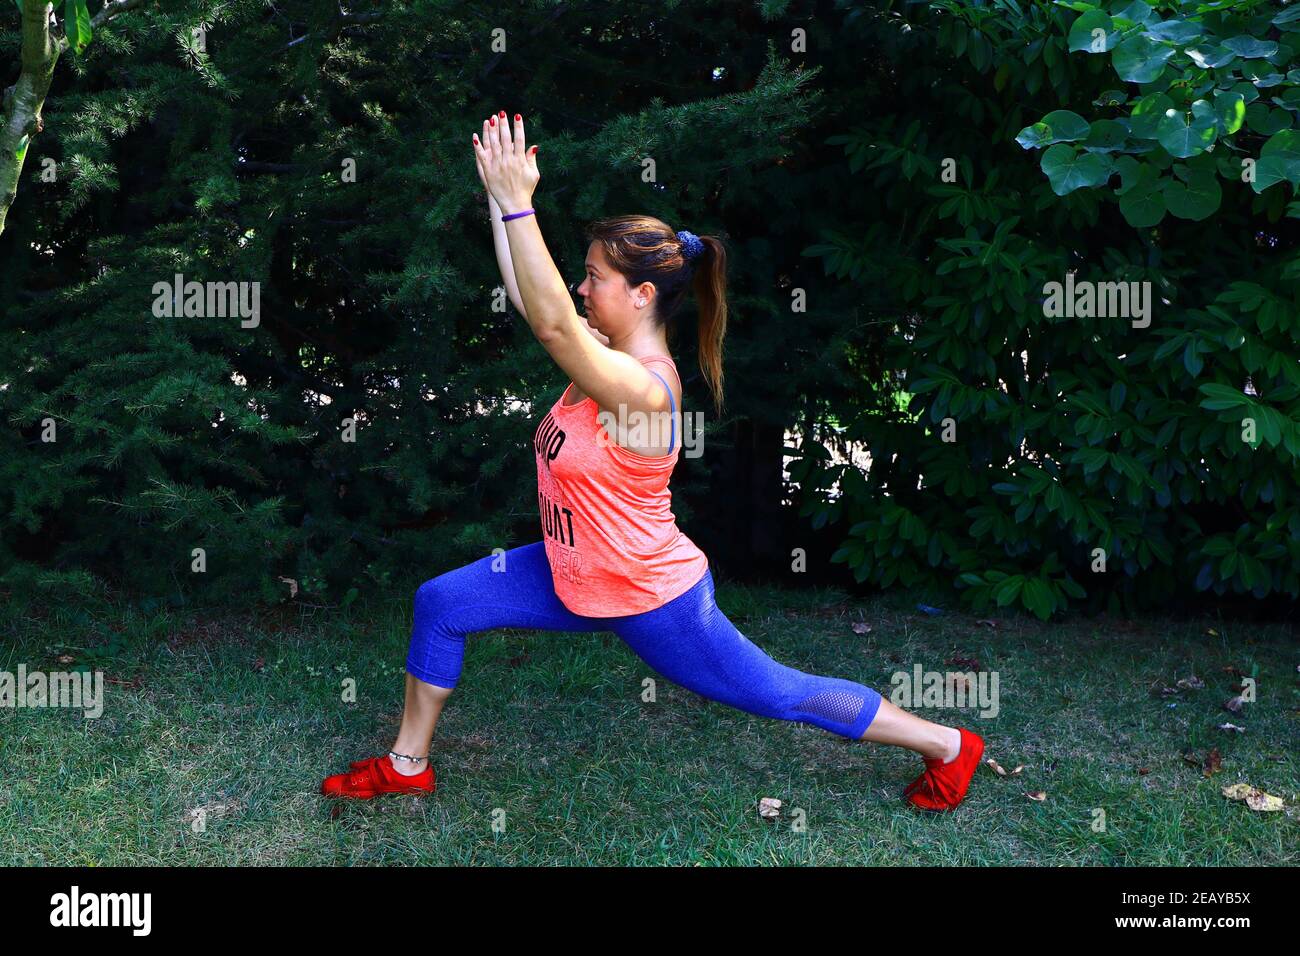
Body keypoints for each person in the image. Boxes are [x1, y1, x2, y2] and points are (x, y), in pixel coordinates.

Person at [320, 110, 984, 812]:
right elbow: (530, 298)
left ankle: (945, 743)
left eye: (594, 278)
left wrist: (522, 203)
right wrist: (497, 193)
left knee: (777, 693)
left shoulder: (642, 389)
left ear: (641, 295)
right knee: (443, 602)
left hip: (649, 596)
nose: (581, 289)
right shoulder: (601, 360)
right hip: (570, 569)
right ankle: (407, 762)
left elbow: (549, 324)